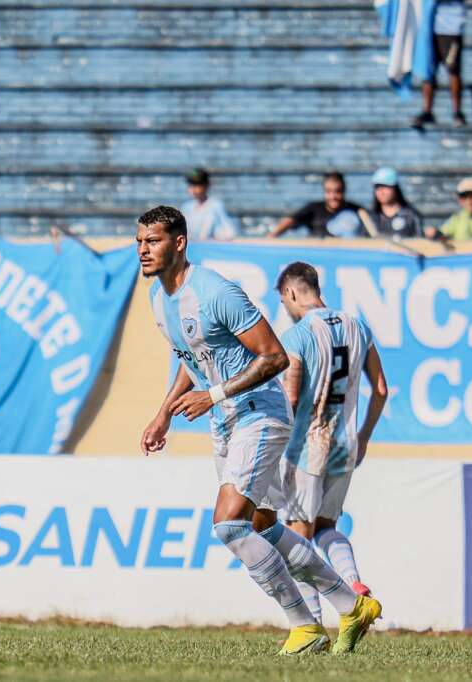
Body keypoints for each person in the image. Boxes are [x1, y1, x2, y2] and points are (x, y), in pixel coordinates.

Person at [137, 205, 381, 656]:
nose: (143, 250)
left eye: (153, 241)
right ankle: (352, 606)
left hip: (260, 413)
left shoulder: (216, 292)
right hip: (226, 421)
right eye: (139, 241)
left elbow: (275, 357)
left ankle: (305, 626)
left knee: (229, 525)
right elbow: (194, 357)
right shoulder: (159, 298)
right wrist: (164, 413)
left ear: (179, 242)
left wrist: (213, 395)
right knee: (262, 528)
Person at [275, 262, 389, 624]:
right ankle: (353, 583)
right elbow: (381, 389)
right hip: (345, 443)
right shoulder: (358, 326)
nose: (287, 309)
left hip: (308, 446)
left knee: (297, 537)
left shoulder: (297, 336)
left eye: (284, 302)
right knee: (326, 528)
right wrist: (364, 436)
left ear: (291, 292)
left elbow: (292, 398)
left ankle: (311, 624)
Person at [412, 0, 466, 129]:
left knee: (453, 69)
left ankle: (457, 113)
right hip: (429, 25)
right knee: (428, 69)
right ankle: (427, 111)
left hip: (451, 26)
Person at [271, 173, 365, 239]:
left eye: (337, 191)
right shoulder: (314, 209)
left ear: (344, 190)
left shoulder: (357, 211)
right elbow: (290, 221)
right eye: (328, 191)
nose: (333, 196)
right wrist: (270, 238)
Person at [359, 168, 424, 238]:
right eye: (377, 187)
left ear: (395, 188)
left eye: (385, 186)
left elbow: (419, 241)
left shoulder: (411, 216)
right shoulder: (370, 218)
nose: (381, 191)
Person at [179, 168, 238, 241]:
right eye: (191, 184)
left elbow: (230, 233)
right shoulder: (186, 207)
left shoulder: (215, 206)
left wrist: (214, 239)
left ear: (206, 185)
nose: (193, 188)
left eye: (197, 184)